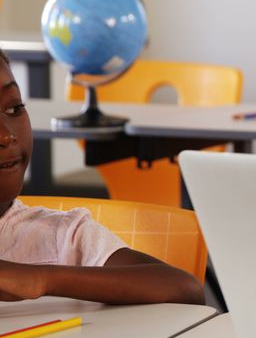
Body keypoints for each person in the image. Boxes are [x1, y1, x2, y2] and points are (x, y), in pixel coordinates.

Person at [0, 50, 204, 304]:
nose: (6, 136)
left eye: (14, 108)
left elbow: (184, 289)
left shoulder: (62, 237)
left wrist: (37, 279)